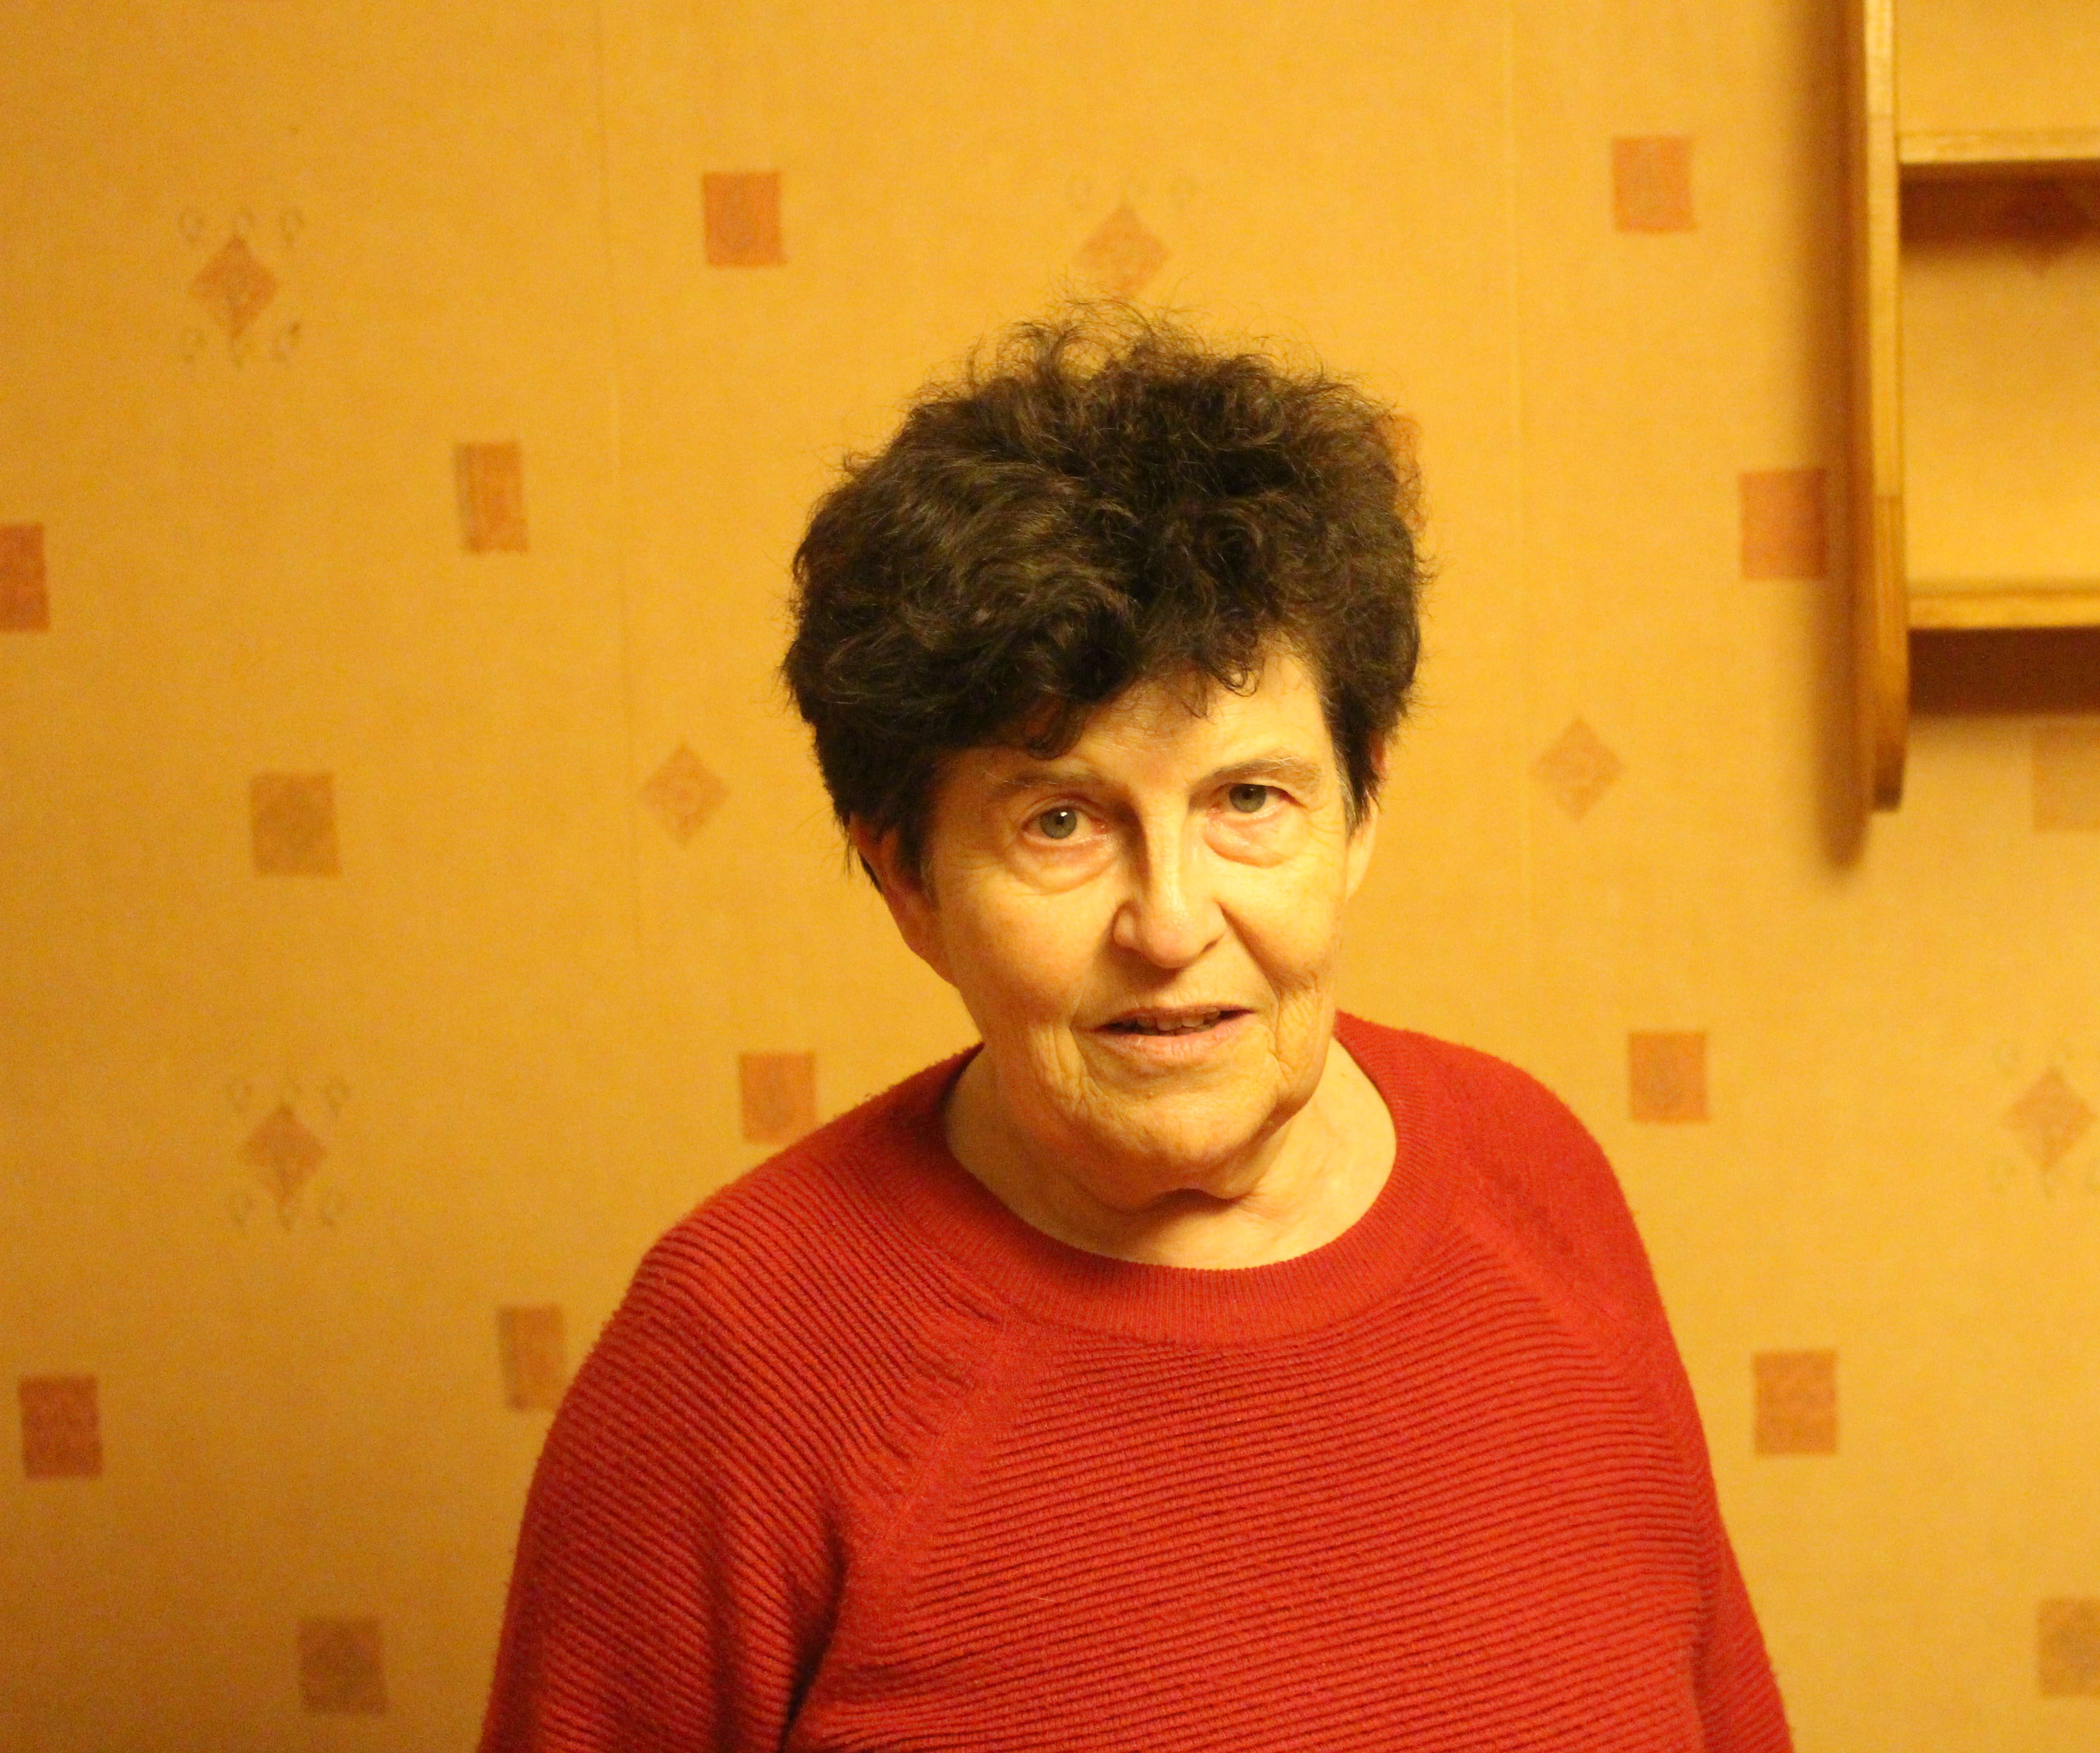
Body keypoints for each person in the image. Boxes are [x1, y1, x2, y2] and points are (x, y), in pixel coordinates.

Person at [478, 310, 1795, 1752]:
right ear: (907, 878)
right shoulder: (736, 1360)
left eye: (1250, 800)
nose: (1170, 925)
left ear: (1358, 814)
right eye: (1060, 821)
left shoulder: (1536, 1173)